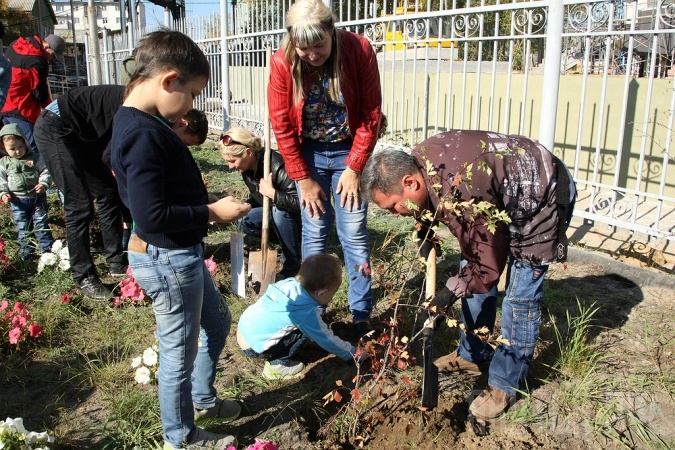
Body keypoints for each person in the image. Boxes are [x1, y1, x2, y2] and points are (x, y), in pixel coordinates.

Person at [360, 130, 576, 420]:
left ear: (409, 182)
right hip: (500, 198)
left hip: (541, 198)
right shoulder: (422, 163)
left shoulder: (463, 189)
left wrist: (447, 295)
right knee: (468, 266)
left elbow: (487, 268)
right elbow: (467, 239)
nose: (397, 214)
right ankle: (473, 355)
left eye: (393, 207)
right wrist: (425, 226)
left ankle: (506, 383)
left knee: (519, 297)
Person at [110, 30, 251, 450]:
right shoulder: (143, 133)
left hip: (179, 255)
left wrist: (200, 198)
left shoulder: (140, 122)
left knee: (218, 321)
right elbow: (149, 213)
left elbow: (151, 191)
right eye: (191, 94)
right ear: (168, 81)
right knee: (177, 353)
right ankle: (182, 437)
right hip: (169, 260)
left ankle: (203, 400)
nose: (190, 106)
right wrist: (210, 212)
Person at [267, 0, 383, 338]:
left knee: (354, 236)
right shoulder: (281, 61)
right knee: (314, 235)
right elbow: (282, 126)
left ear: (332, 31)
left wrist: (355, 167)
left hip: (350, 150)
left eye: (319, 46)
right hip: (309, 155)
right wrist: (302, 179)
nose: (313, 55)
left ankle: (362, 316)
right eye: (304, 48)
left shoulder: (358, 50)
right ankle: (312, 314)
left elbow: (371, 113)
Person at [34, 85, 128, 300]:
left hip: (79, 136)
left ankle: (115, 260)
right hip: (54, 128)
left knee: (107, 191)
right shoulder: (138, 106)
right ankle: (84, 276)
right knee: (79, 204)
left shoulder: (144, 105)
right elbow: (109, 156)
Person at [237, 254, 366, 379]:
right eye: (332, 294)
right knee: (307, 330)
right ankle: (276, 367)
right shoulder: (304, 312)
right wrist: (353, 353)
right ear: (322, 293)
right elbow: (326, 338)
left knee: (300, 325)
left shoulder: (288, 284)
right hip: (254, 348)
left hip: (243, 331)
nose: (331, 298)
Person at [218, 126, 302, 279]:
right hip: (280, 216)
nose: (230, 166)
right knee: (244, 220)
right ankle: (293, 244)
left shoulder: (278, 166)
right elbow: (259, 198)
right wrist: (243, 207)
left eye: (232, 161)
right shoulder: (247, 169)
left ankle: (292, 264)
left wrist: (273, 194)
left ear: (249, 152)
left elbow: (300, 204)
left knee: (279, 210)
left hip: (303, 220)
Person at [2, 33, 66, 154]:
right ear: (47, 46)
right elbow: (39, 93)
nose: (51, 60)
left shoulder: (15, 45)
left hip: (4, 104)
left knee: (11, 149)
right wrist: (53, 110)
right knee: (35, 148)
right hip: (21, 109)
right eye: (53, 56)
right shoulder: (38, 62)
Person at [0, 123, 54, 259]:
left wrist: (43, 183)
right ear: (4, 148)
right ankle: (27, 254)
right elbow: (1, 180)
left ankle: (47, 252)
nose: (17, 151)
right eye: (12, 149)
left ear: (25, 143)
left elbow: (45, 171)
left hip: (37, 198)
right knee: (23, 227)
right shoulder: (4, 163)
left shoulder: (35, 158)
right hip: (18, 201)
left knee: (41, 224)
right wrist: (3, 193)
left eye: (20, 147)